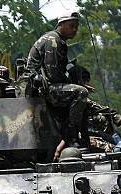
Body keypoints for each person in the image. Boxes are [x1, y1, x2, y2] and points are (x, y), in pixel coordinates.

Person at [25, 12, 88, 146]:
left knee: (82, 96)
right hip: (41, 89)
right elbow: (53, 74)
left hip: (46, 86)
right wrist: (73, 85)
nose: (75, 30)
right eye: (72, 26)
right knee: (80, 93)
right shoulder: (53, 40)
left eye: (76, 26)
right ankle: (70, 136)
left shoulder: (58, 40)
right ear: (61, 24)